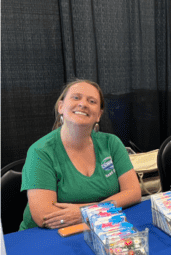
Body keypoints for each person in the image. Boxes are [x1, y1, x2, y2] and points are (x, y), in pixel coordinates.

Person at [20, 80, 141, 231]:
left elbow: (134, 192)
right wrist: (102, 209)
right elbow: (45, 216)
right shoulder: (40, 152)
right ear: (61, 107)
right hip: (44, 236)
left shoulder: (112, 143)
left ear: (99, 115)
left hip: (99, 227)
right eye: (76, 98)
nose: (83, 104)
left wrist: (85, 212)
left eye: (92, 101)